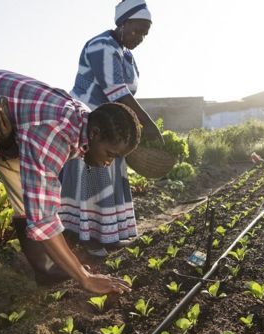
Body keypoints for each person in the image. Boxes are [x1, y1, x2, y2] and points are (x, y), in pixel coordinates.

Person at [0, 69, 134, 329]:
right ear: (94, 134)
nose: (108, 163)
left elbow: (37, 199)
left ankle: (45, 270)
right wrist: (84, 278)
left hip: (8, 124)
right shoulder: (53, 134)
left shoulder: (85, 120)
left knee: (26, 195)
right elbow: (44, 218)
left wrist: (8, 143)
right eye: (110, 153)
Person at [60, 0, 162, 257]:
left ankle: (108, 235)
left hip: (111, 125)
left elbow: (125, 94)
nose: (139, 37)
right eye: (136, 30)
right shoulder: (101, 46)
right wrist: (147, 124)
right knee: (93, 178)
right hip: (89, 124)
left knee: (109, 176)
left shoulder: (125, 53)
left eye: (145, 34)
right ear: (122, 23)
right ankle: (88, 238)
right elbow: (117, 92)